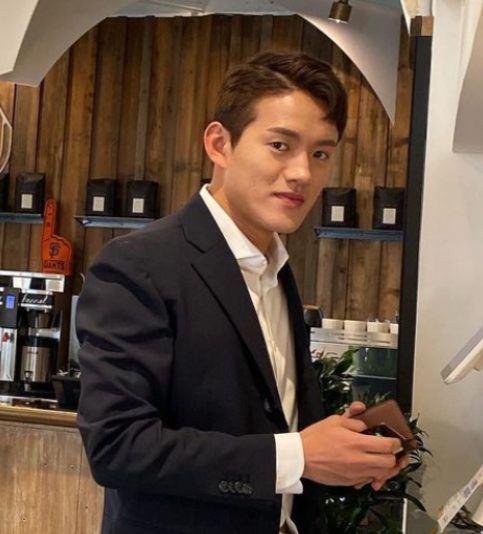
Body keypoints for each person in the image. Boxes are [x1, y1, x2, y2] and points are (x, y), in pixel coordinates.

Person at [77, 51, 407, 534]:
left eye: (320, 154)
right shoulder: (139, 265)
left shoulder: (277, 271)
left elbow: (263, 426)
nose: (302, 172)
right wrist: (298, 455)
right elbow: (118, 447)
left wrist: (343, 450)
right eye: (280, 145)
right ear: (220, 144)